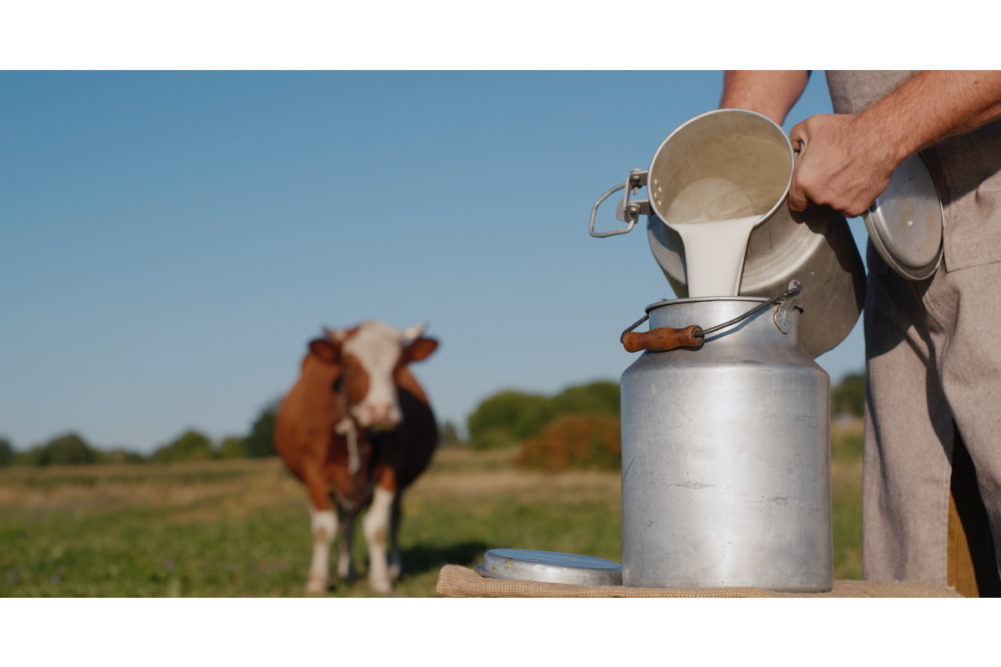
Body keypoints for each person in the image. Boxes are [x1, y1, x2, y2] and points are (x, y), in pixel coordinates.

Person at [719, 70, 1001, 595]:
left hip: (984, 187)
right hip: (896, 229)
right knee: (916, 568)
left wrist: (876, 136)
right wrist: (739, 140)